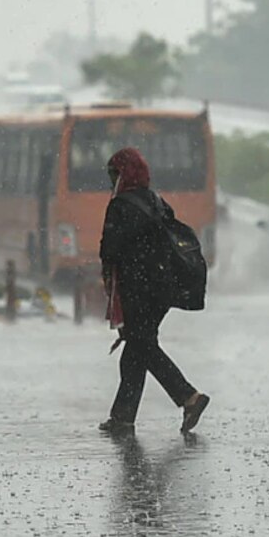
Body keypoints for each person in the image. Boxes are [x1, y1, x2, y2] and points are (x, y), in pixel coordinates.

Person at [98, 147, 210, 435]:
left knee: (143, 347)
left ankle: (189, 397)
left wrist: (109, 277)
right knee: (136, 349)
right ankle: (122, 417)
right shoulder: (157, 201)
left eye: (114, 175)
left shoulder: (120, 205)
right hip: (162, 289)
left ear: (123, 175)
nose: (111, 182)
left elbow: (110, 249)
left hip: (137, 289)